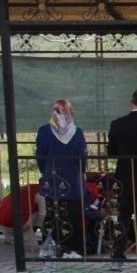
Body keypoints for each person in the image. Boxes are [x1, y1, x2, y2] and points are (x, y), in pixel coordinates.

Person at [35, 99, 87, 258]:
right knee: (71, 214)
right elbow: (82, 157)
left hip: (52, 177)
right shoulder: (76, 132)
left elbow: (40, 156)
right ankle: (71, 249)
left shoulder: (44, 131)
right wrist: (82, 173)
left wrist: (46, 171)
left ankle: (48, 248)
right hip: (72, 177)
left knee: (51, 213)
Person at [107, 89, 137, 271]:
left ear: (131, 102)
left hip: (124, 176)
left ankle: (117, 257)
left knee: (123, 217)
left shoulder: (117, 124)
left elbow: (112, 152)